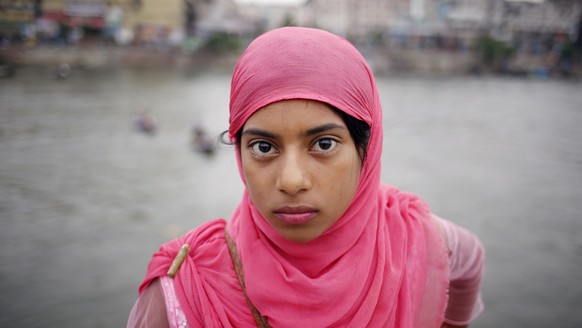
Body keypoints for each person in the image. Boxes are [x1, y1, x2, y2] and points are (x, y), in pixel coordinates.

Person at [127, 27, 484, 328]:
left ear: (367, 149)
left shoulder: (413, 235)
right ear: (239, 152)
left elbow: (469, 257)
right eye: (264, 148)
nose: (292, 180)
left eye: (323, 144)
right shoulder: (184, 288)